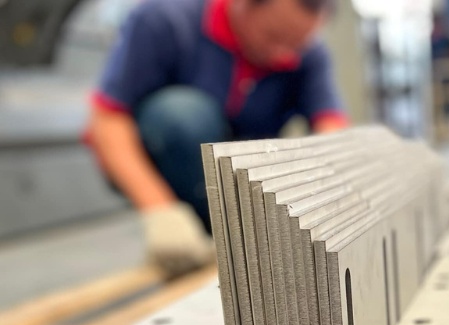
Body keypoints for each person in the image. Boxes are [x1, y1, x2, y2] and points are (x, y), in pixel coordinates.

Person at [87, 0, 348, 277]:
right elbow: (107, 120)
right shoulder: (164, 20)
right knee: (180, 116)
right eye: (273, 36)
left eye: (295, 45)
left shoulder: (307, 52)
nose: (282, 55)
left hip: (243, 190)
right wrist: (160, 210)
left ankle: (238, 235)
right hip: (174, 176)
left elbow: (331, 126)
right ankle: (195, 230)